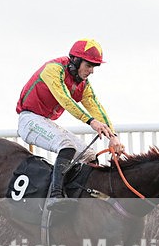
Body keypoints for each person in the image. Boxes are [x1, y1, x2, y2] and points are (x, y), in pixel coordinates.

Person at [16, 38, 124, 210]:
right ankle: (55, 196)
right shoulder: (53, 69)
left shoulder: (83, 85)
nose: (91, 71)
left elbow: (96, 107)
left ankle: (82, 198)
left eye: (94, 67)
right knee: (66, 145)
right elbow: (65, 99)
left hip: (44, 121)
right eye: (89, 65)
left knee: (89, 155)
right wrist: (90, 121)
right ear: (76, 60)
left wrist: (113, 136)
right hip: (29, 119)